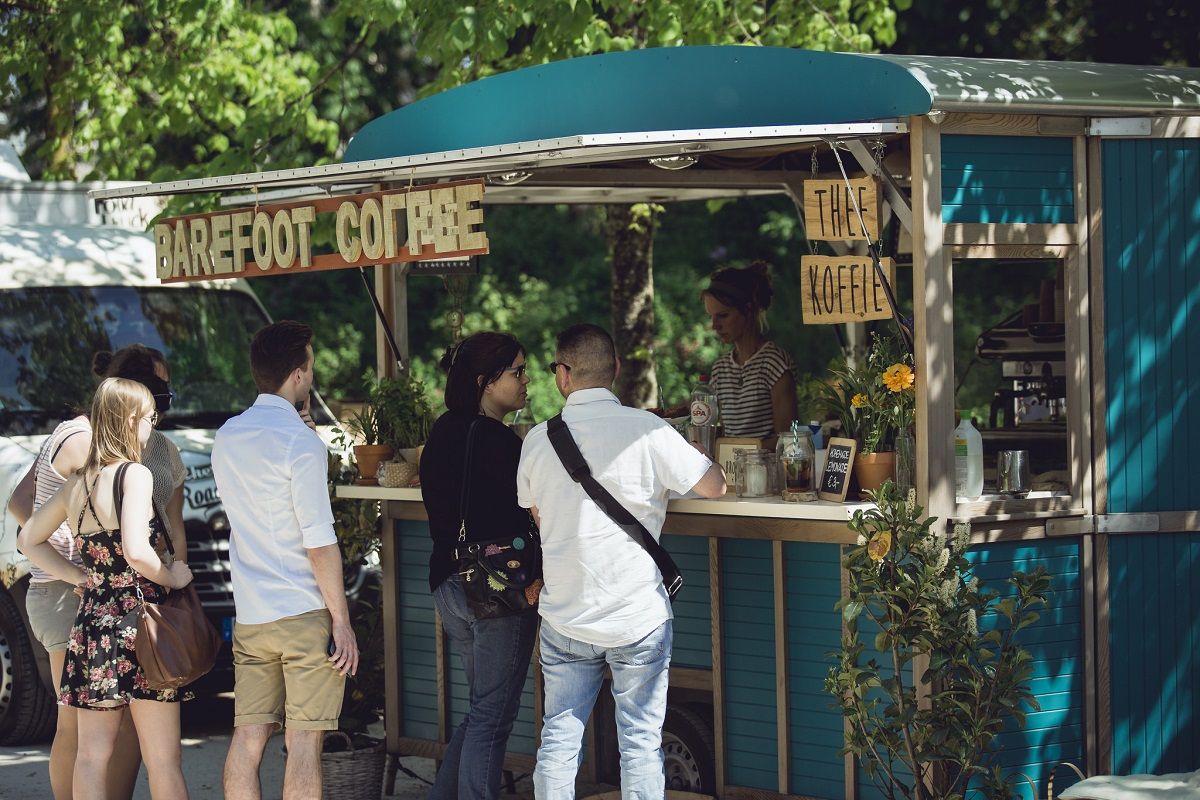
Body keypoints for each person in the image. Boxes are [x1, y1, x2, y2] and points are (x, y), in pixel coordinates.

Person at [516, 324, 727, 800]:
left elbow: (538, 514)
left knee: (558, 739)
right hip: (637, 617)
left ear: (562, 375)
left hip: (566, 616)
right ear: (614, 368)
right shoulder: (649, 430)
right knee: (640, 745)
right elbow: (715, 486)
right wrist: (695, 454)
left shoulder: (538, 440)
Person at [5, 343, 186, 800]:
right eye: (151, 415)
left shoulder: (77, 482)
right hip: (131, 614)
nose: (156, 424)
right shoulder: (131, 474)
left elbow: (26, 537)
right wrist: (174, 578)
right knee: (163, 757)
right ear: (130, 416)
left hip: (91, 618)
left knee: (90, 751)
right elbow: (138, 552)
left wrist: (85, 578)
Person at [212, 320, 358, 800]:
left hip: (253, 613)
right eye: (310, 368)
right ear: (298, 374)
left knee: (248, 737)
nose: (311, 376)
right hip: (303, 611)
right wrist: (342, 621)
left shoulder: (227, 436)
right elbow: (318, 542)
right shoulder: (302, 443)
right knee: (303, 743)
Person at [418, 331, 541, 800]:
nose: (526, 380)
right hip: (497, 589)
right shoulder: (503, 443)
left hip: (449, 584)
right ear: (485, 381)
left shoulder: (442, 431)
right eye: (517, 371)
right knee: (492, 716)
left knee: (481, 710)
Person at [701, 261, 798, 441]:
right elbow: (723, 433)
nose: (714, 325)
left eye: (723, 315)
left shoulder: (774, 363)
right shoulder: (720, 369)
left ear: (748, 309)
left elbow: (787, 440)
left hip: (765, 460)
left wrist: (741, 451)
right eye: (711, 317)